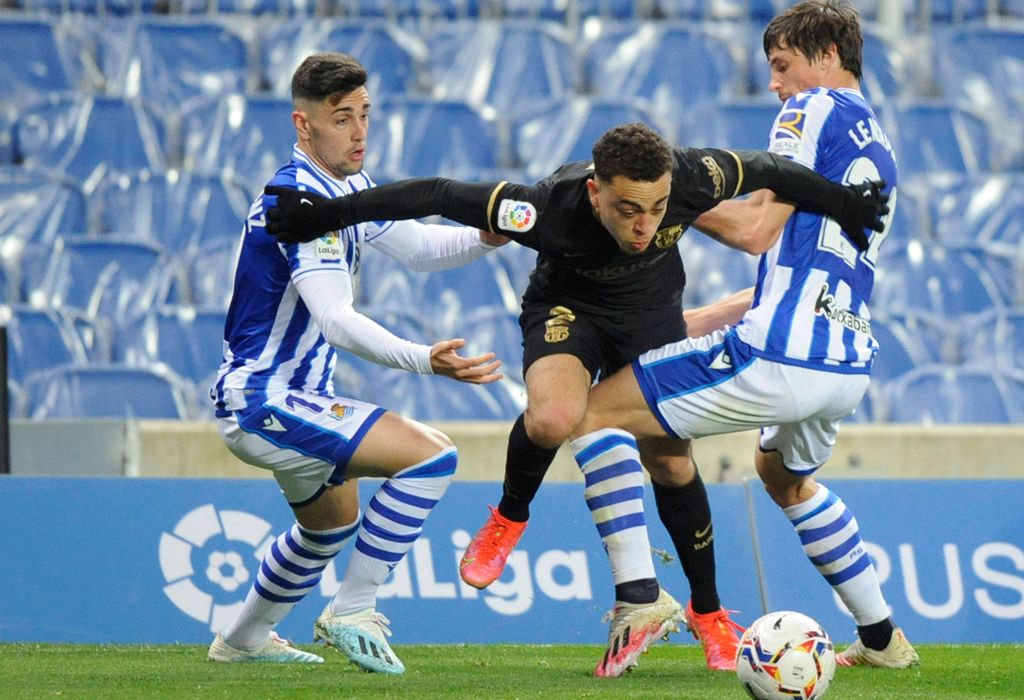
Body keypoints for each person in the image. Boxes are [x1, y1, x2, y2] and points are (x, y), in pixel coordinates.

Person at [263, 123, 888, 676]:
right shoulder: (543, 208)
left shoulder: (694, 174)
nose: (644, 225)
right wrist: (319, 219)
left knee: (671, 462)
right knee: (555, 416)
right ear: (595, 192)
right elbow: (432, 193)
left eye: (657, 208)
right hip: (568, 310)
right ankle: (509, 516)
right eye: (626, 209)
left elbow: (773, 170)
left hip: (649, 314)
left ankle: (709, 613)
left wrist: (846, 206)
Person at [568, 0, 919, 670]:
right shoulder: (878, 140)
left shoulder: (811, 110)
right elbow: (789, 265)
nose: (776, 86)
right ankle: (881, 640)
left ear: (825, 56)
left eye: (782, 65)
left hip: (780, 356)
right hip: (843, 363)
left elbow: (755, 231)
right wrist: (691, 322)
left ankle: (641, 594)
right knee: (781, 477)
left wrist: (663, 194)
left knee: (585, 413)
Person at [206, 53, 507, 675]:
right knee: (432, 454)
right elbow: (337, 319)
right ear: (303, 125)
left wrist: (484, 237)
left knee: (329, 525)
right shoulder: (297, 203)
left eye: (365, 115)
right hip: (265, 398)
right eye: (342, 119)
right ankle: (353, 609)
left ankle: (242, 640)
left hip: (291, 395)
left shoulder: (348, 189)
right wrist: (423, 360)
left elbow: (420, 249)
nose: (359, 131)